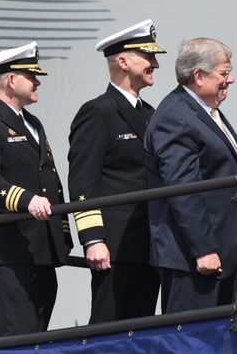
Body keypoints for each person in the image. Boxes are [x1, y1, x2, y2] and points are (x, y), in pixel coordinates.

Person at [0, 42, 72, 337]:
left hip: (42, 250)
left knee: (38, 339)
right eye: (31, 75)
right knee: (16, 340)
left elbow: (50, 180)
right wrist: (26, 200)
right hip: (12, 250)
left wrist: (62, 233)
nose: (38, 82)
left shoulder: (32, 123)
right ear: (11, 80)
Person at [67, 20, 165, 323]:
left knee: (141, 329)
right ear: (123, 61)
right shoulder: (98, 112)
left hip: (149, 243)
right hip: (116, 245)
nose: (156, 64)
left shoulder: (150, 114)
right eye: (148, 57)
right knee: (108, 331)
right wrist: (93, 239)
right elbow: (83, 179)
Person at [144, 37, 237, 313]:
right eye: (225, 73)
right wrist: (204, 249)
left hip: (222, 256)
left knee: (217, 348)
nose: (232, 79)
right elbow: (183, 188)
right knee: (190, 347)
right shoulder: (176, 117)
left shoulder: (205, 111)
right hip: (195, 260)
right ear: (199, 76)